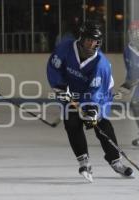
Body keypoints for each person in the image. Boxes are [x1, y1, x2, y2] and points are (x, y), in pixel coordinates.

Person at [47, 21, 133, 182]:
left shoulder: (101, 64)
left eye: (95, 41)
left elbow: (96, 91)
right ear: (81, 38)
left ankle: (116, 161)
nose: (92, 44)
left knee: (102, 126)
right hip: (70, 91)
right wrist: (59, 86)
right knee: (72, 123)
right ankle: (84, 161)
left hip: (98, 94)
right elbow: (54, 68)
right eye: (89, 40)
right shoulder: (65, 49)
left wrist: (92, 109)